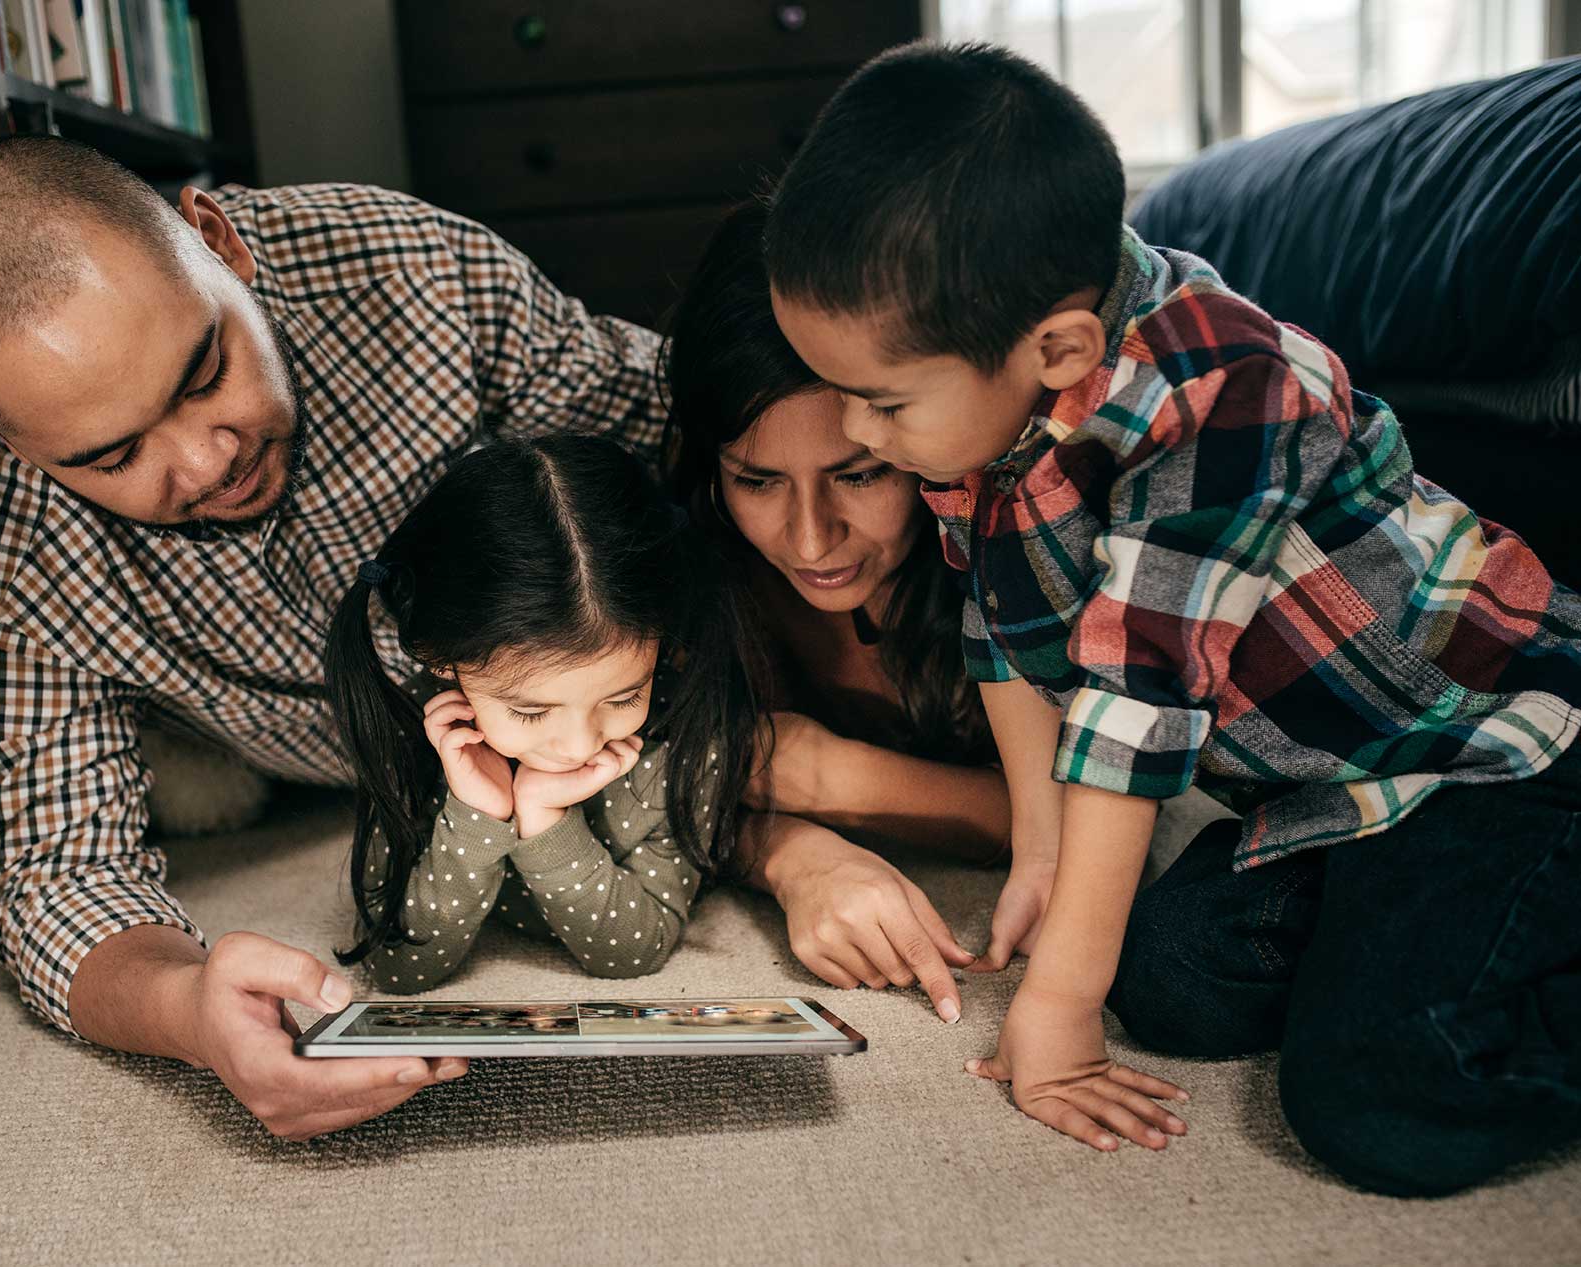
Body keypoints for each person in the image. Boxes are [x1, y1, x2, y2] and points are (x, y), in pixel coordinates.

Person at [764, 40, 1581, 1196]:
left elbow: (1133, 703)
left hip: (1504, 750)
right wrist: (1042, 853)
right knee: (1174, 983)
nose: (856, 431)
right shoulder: (981, 412)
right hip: (1337, 790)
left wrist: (1056, 1006)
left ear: (1055, 347)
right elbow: (998, 627)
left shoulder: (1225, 390)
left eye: (879, 402)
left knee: (1381, 1099)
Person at [0, 134, 666, 1139]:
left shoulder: (419, 276)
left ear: (215, 240)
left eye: (205, 372)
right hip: (294, 755)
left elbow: (685, 438)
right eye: (115, 454)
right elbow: (55, 875)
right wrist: (186, 1010)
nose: (206, 461)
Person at [664, 200, 1009, 1024]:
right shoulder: (704, 568)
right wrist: (793, 852)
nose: (812, 540)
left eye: (859, 475)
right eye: (757, 481)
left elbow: (1101, 810)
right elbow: (644, 790)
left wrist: (829, 774)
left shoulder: (1005, 538)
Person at [322, 434, 758, 988]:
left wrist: (548, 819)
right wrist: (478, 813)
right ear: (443, 662)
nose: (580, 746)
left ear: (662, 645)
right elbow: (398, 967)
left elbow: (636, 952)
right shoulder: (414, 728)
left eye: (624, 697)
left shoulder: (681, 735)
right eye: (530, 712)